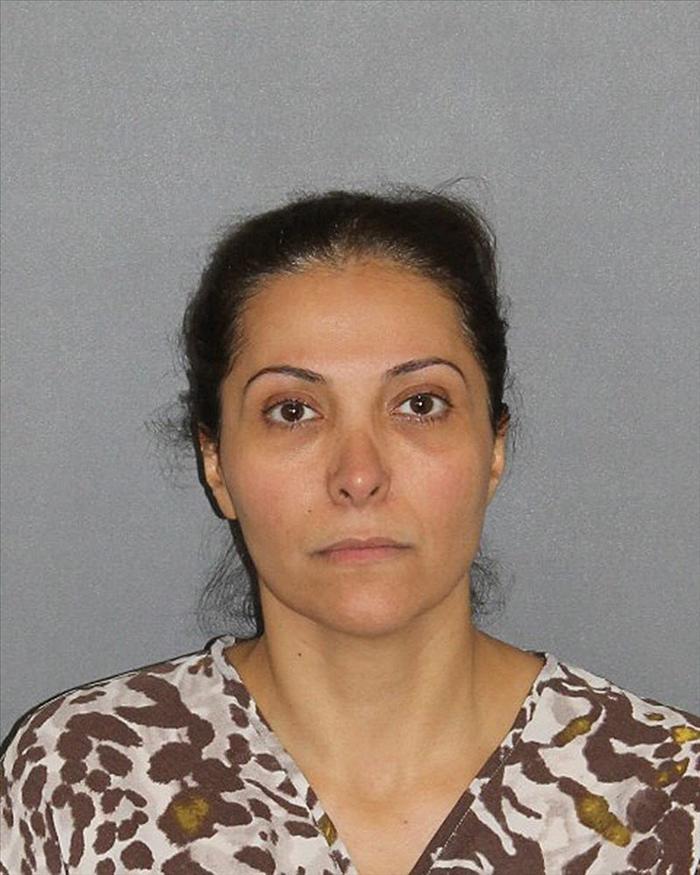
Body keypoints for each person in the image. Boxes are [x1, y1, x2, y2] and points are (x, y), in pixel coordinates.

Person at [1, 187, 698, 875]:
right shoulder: (80, 778)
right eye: (293, 411)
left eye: (419, 404)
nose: (359, 475)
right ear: (216, 463)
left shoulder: (670, 797)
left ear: (493, 448)